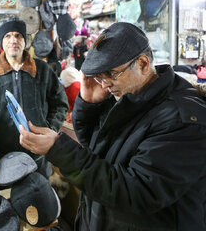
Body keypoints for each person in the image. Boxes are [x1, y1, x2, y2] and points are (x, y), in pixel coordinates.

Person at [19, 22, 206, 230]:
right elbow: (97, 150)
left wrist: (58, 150)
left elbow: (136, 192)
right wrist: (88, 106)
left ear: (143, 64)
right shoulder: (131, 97)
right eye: (100, 75)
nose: (105, 83)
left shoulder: (182, 120)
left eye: (111, 73)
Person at [0, 17, 68, 174]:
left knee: (40, 194)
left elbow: (60, 104)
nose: (13, 40)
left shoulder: (43, 69)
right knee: (8, 195)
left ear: (25, 40)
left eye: (18, 35)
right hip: (4, 156)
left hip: (39, 154)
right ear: (2, 42)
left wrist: (50, 128)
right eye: (8, 36)